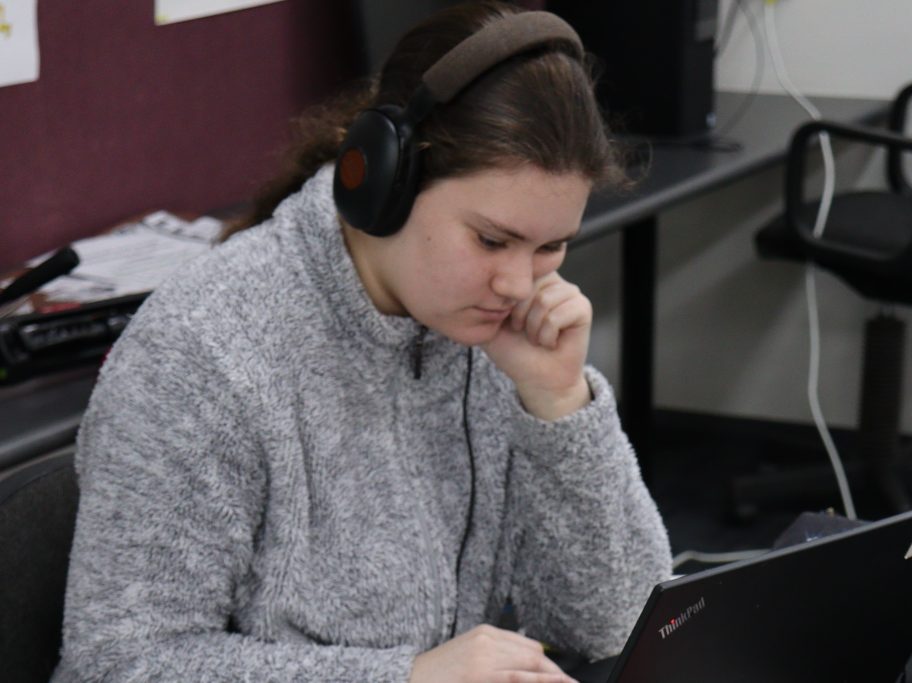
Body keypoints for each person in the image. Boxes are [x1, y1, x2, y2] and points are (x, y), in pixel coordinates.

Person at [53, 3, 672, 681]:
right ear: (382, 184)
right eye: (492, 240)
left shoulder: (494, 332)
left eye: (551, 247)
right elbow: (117, 664)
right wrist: (405, 677)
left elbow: (619, 620)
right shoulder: (203, 349)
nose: (519, 282)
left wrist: (558, 402)